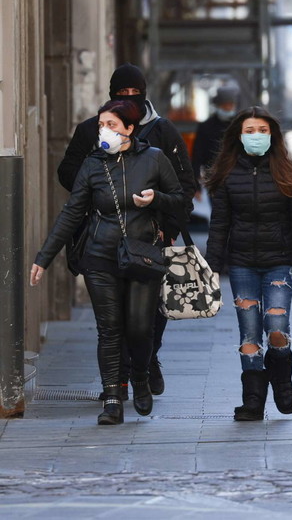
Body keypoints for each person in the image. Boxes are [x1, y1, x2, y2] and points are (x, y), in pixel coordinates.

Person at [31, 100, 186, 425]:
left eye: (111, 125)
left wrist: (156, 199)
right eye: (101, 125)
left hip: (143, 256)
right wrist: (43, 258)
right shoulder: (92, 165)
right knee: (109, 329)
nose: (105, 130)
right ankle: (113, 398)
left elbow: (180, 199)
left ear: (129, 128)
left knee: (140, 327)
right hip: (100, 256)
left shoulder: (154, 158)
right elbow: (72, 213)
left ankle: (140, 376)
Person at [57, 64, 196, 398]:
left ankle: (145, 362)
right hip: (104, 238)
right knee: (112, 318)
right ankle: (117, 385)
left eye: (136, 93)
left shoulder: (162, 131)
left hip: (151, 238)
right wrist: (96, 184)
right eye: (123, 93)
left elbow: (183, 185)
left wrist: (169, 228)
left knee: (149, 315)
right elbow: (67, 172)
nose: (130, 98)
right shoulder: (91, 130)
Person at [205, 106, 292, 422]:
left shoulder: (288, 171)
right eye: (250, 131)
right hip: (242, 264)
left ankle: (282, 380)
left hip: (279, 263)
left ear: (273, 135)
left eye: (263, 131)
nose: (256, 136)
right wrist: (211, 267)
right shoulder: (227, 173)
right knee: (249, 334)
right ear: (239, 136)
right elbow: (219, 224)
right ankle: (253, 400)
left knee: (277, 328)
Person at [192, 86, 239, 184]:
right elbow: (197, 154)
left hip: (237, 175)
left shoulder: (240, 124)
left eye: (230, 105)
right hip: (213, 176)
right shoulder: (206, 126)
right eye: (224, 105)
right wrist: (196, 181)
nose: (227, 108)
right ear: (218, 106)